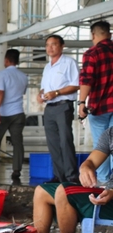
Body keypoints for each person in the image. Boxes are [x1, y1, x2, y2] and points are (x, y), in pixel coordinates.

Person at [26, 126, 113, 233]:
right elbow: (91, 160)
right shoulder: (110, 133)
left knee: (64, 191)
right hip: (109, 192)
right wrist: (85, 167)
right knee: (42, 192)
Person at [37, 34, 80, 183]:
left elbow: (76, 84)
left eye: (54, 44)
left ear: (62, 46)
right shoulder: (47, 67)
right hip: (49, 108)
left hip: (63, 106)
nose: (50, 47)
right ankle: (59, 176)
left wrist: (57, 93)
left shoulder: (69, 62)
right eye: (47, 45)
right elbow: (44, 88)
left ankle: (71, 176)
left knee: (65, 141)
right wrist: (40, 95)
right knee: (53, 143)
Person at [77, 20, 113, 182]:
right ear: (109, 34)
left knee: (101, 147)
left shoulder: (92, 53)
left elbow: (87, 80)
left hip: (99, 108)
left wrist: (81, 102)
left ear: (93, 35)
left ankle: (104, 182)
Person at [0, 49, 28, 179]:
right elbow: (22, 92)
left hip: (3, 113)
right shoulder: (23, 76)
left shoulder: (2, 74)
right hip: (18, 113)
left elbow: (0, 93)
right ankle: (17, 169)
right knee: (17, 143)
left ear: (6, 60)